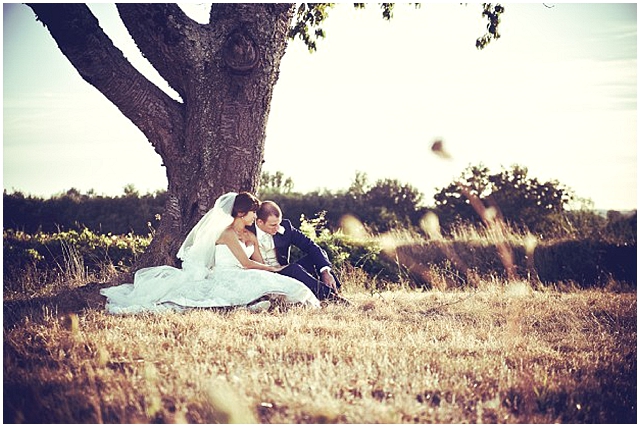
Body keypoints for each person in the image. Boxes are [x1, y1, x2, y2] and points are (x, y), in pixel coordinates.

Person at [100, 192, 320, 314]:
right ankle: (253, 304)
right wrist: (273, 269)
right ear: (241, 213)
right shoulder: (227, 234)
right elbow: (246, 263)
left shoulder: (250, 235)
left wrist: (273, 271)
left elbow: (258, 262)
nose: (255, 216)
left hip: (246, 271)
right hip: (228, 273)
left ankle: (276, 301)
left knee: (274, 282)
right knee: (244, 286)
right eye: (252, 213)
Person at [248, 200, 350, 304]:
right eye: (273, 225)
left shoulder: (286, 227)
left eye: (278, 223)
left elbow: (311, 246)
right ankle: (331, 297)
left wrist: (325, 271)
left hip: (283, 270)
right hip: (262, 274)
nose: (277, 228)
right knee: (294, 269)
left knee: (315, 258)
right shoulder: (247, 230)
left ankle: (336, 291)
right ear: (259, 222)